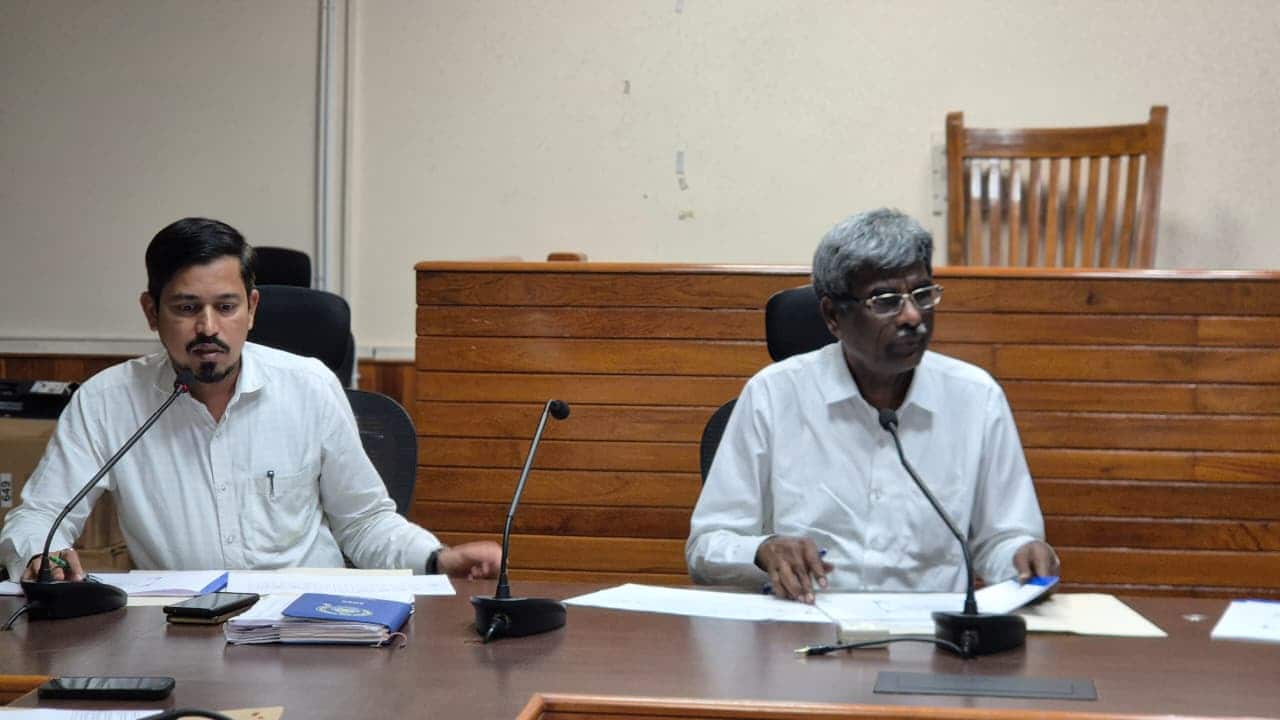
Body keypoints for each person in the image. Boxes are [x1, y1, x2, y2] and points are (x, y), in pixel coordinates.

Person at [1, 218, 501, 582]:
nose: (208, 328)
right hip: (183, 631)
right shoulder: (108, 401)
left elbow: (364, 522)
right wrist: (40, 554)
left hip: (313, 625)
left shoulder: (308, 386)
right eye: (186, 308)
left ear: (252, 308)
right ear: (151, 312)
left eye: (226, 307)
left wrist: (438, 559)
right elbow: (38, 516)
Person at [686, 208, 1058, 602]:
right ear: (833, 316)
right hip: (805, 625)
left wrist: (1022, 556)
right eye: (885, 301)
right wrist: (762, 550)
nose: (912, 316)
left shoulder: (975, 398)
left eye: (922, 295)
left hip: (927, 631)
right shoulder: (773, 396)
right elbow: (707, 546)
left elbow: (1001, 539)